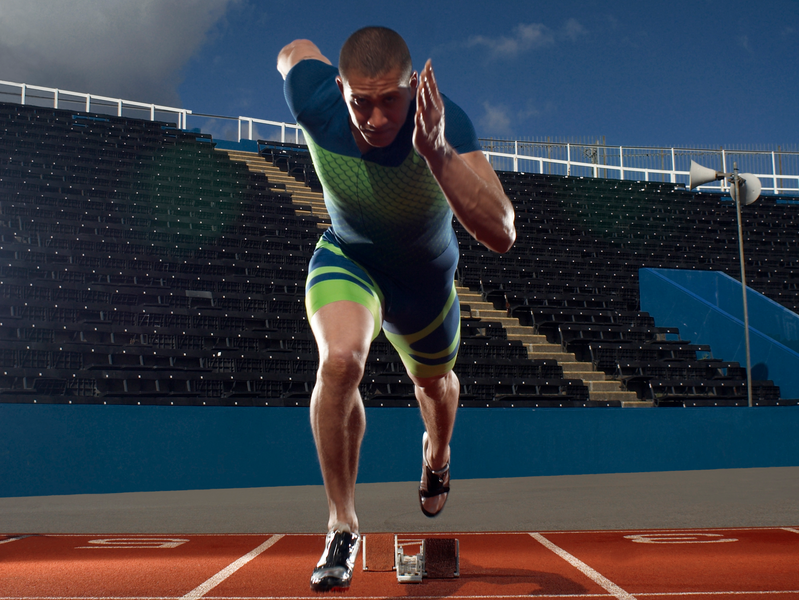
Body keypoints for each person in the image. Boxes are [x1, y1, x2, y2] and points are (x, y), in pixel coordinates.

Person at [277, 26, 515, 592]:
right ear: (340, 89)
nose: (378, 119)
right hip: (349, 259)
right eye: (362, 102)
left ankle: (436, 457)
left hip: (423, 286)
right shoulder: (313, 99)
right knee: (339, 362)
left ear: (413, 88)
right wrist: (289, 57)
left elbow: (502, 232)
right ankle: (342, 525)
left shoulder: (445, 123)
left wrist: (437, 153)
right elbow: (294, 52)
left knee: (434, 387)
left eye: (391, 101)